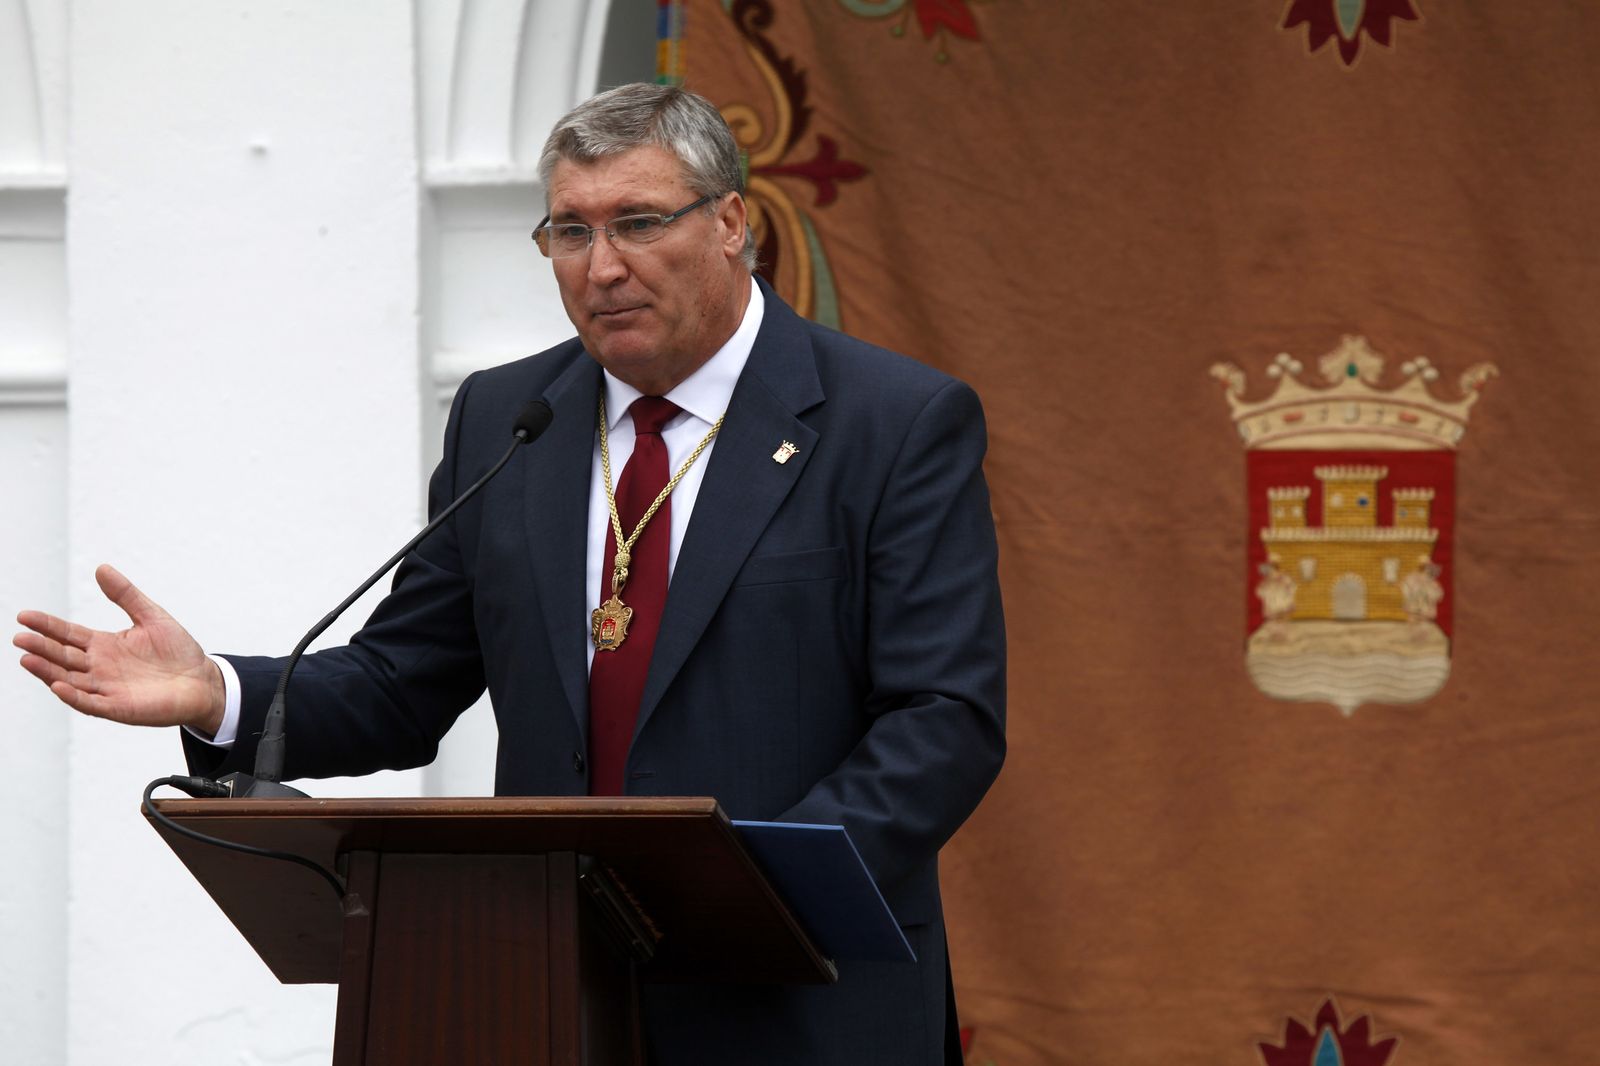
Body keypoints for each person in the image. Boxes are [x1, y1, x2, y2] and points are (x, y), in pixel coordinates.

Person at [13, 83, 1005, 1065]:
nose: (602, 266)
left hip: (801, 993)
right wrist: (220, 691)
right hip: (545, 984)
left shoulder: (892, 422)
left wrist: (753, 887)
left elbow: (943, 717)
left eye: (638, 222)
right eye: (568, 233)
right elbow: (405, 682)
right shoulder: (509, 417)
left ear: (730, 223)